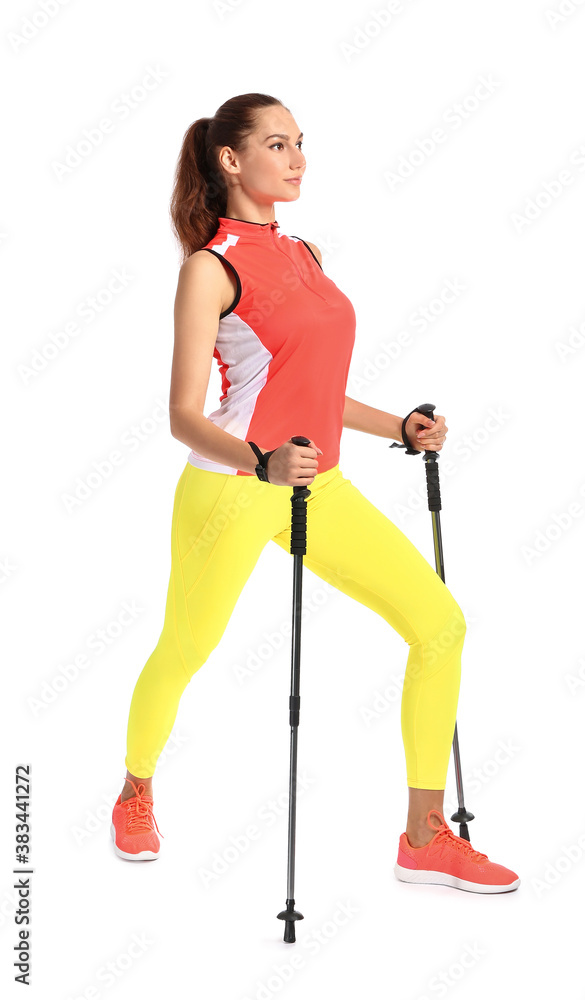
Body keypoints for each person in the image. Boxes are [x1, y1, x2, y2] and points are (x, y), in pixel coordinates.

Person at [110, 92, 519, 894]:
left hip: (317, 483)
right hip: (231, 488)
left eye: (300, 143)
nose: (296, 158)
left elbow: (315, 392)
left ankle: (423, 835)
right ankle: (135, 790)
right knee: (187, 648)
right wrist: (259, 463)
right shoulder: (209, 267)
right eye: (277, 144)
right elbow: (183, 417)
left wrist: (396, 424)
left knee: (439, 624)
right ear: (230, 160)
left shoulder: (304, 254)